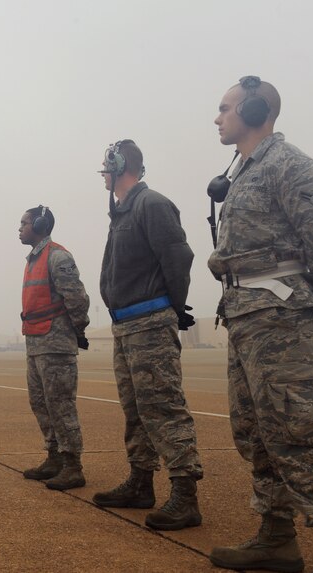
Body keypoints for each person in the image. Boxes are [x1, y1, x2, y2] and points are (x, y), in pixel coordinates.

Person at [207, 76, 313, 573]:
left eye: (226, 108)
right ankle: (276, 537)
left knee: (302, 430)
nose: (218, 117)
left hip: (284, 321)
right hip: (248, 319)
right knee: (256, 433)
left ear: (254, 110)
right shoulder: (246, 172)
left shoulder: (291, 167)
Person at [93, 140, 203, 531]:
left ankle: (185, 493)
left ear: (119, 165)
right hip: (125, 325)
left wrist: (175, 305)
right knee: (136, 410)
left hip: (149, 322)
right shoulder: (122, 212)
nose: (102, 175)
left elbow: (178, 256)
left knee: (163, 407)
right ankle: (141, 482)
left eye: (105, 167)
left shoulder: (150, 203)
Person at [18, 205, 90, 491]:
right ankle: (54, 457)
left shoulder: (57, 256)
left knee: (60, 405)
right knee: (40, 403)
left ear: (39, 223)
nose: (19, 228)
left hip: (55, 343)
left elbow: (76, 298)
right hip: (35, 343)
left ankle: (73, 465)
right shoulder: (33, 259)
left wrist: (78, 329)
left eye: (24, 223)